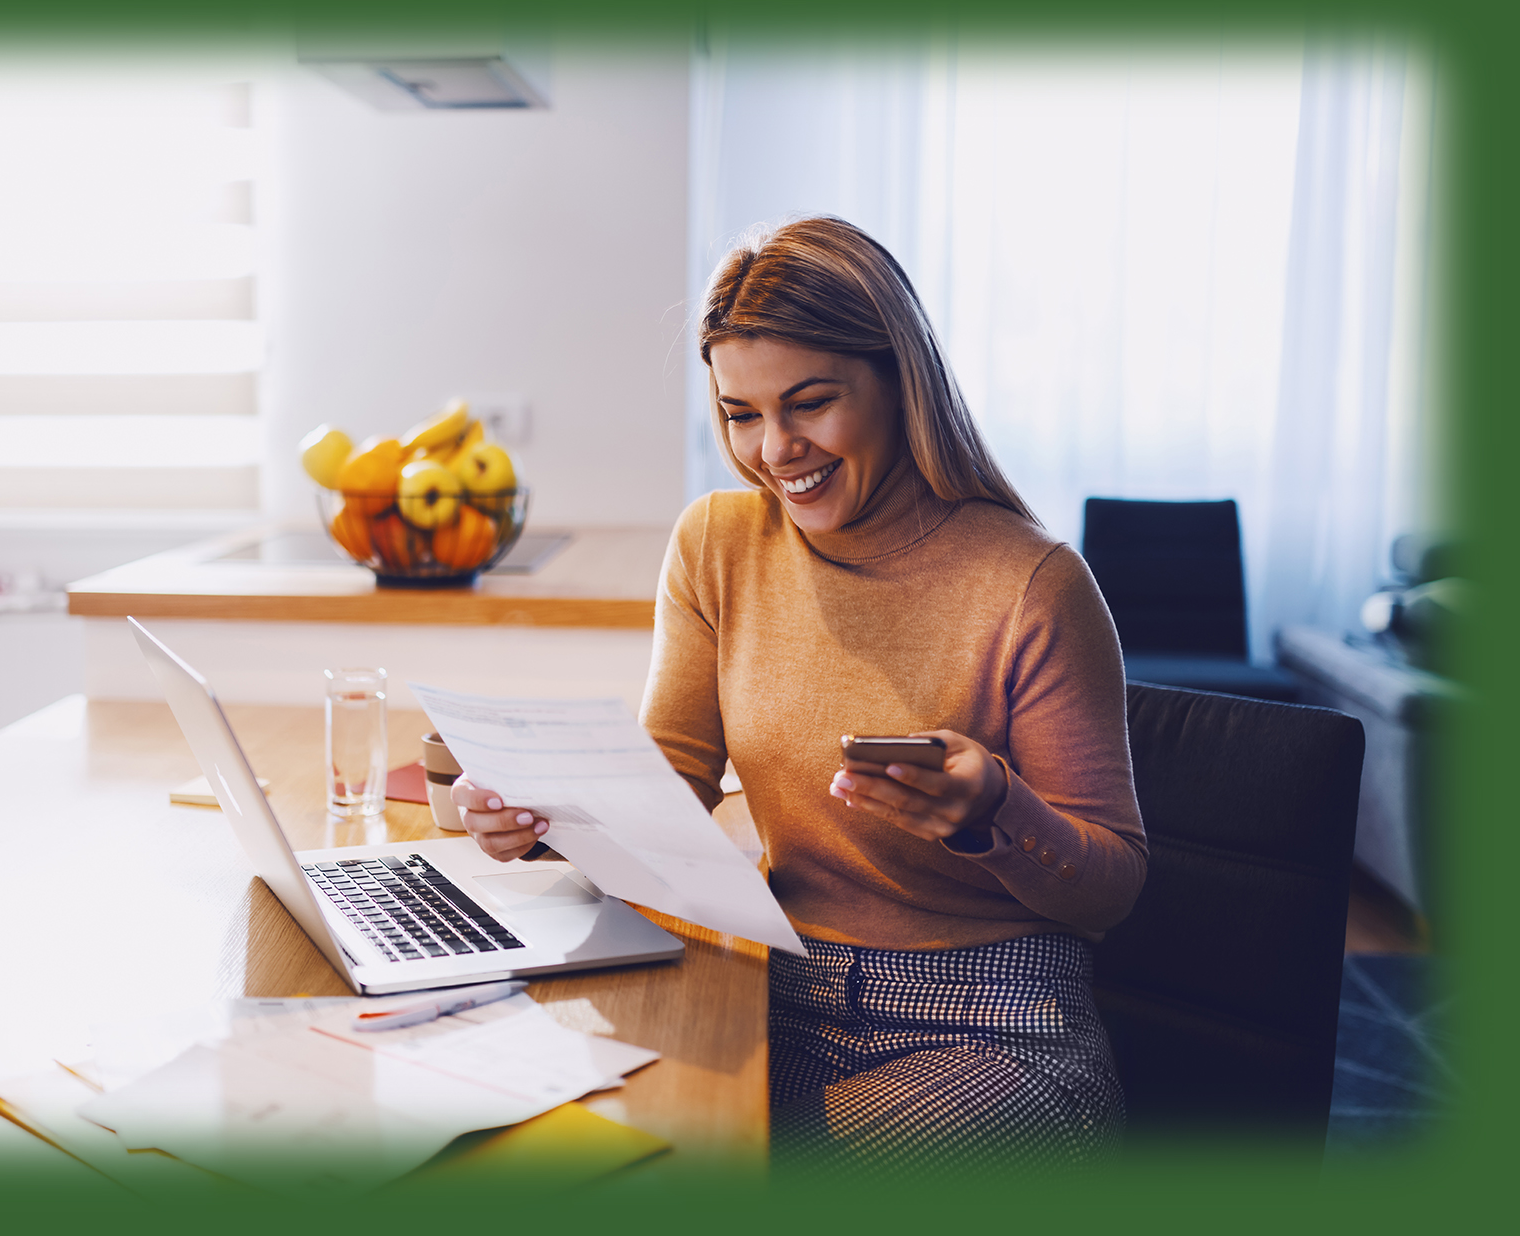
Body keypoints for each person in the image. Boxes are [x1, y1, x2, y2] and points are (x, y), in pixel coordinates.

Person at [453, 216, 1146, 1179]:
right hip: (775, 986)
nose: (775, 449)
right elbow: (670, 785)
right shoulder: (718, 546)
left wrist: (993, 812)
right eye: (741, 413)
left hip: (994, 1025)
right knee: (546, 1141)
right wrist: (545, 818)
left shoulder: (1033, 583)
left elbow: (1113, 888)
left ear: (899, 381)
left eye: (810, 403)